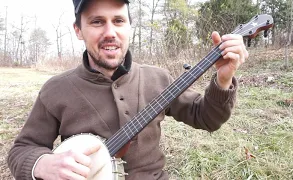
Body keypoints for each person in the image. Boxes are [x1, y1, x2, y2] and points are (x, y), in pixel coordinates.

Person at [7, 0, 248, 179]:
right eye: (97, 21)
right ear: (78, 30)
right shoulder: (55, 90)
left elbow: (207, 119)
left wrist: (223, 79)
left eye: (119, 21)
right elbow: (22, 149)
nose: (110, 32)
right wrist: (43, 163)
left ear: (129, 27)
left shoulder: (157, 78)